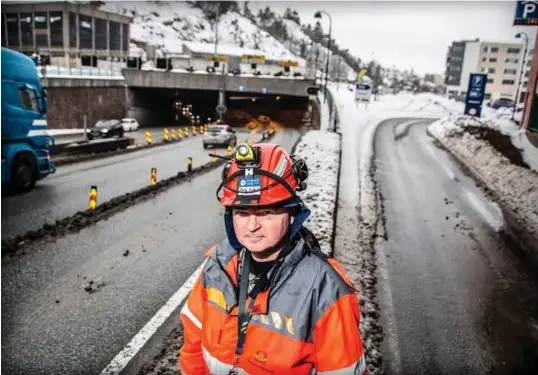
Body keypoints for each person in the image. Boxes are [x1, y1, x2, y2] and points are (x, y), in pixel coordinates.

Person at [179, 142, 367, 375]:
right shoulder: (217, 265)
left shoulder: (326, 289)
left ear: (291, 216)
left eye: (266, 212)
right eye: (242, 213)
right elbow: (193, 346)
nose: (252, 226)